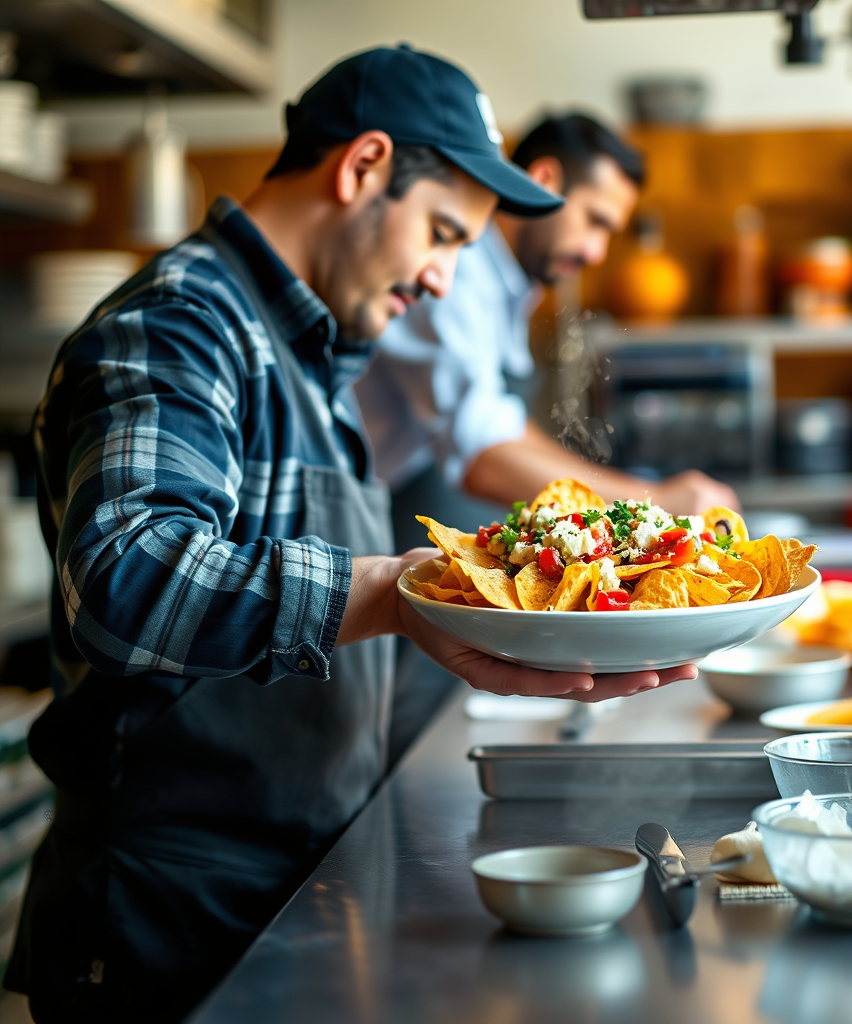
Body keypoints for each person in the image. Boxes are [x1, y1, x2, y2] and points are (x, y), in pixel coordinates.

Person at [6, 47, 698, 1024]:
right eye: (442, 234)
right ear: (363, 166)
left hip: (282, 877)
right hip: (169, 909)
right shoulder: (179, 325)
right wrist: (396, 593)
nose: (444, 278)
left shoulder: (316, 353)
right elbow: (126, 575)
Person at [357, 112, 739, 559]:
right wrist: (651, 504)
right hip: (372, 517)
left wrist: (636, 498)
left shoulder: (508, 283)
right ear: (544, 180)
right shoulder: (457, 273)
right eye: (595, 221)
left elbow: (505, 428)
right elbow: (484, 453)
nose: (597, 253)